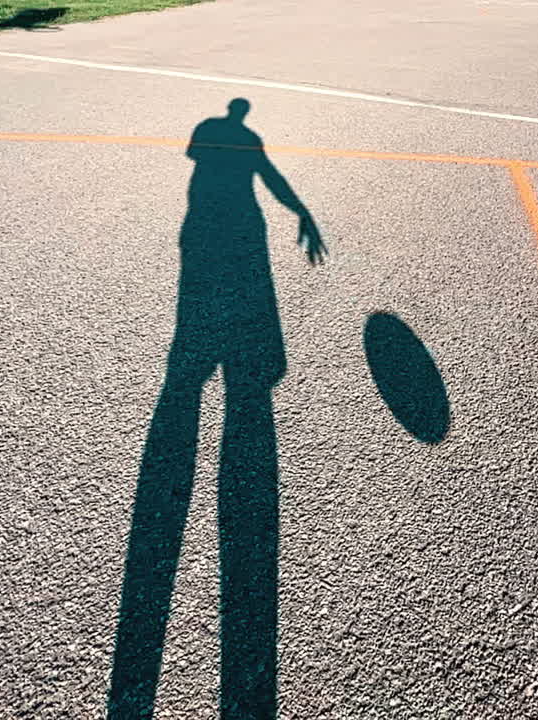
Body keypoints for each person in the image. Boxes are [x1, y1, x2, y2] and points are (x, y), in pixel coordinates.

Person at [109, 98, 324, 720]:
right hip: (233, 230)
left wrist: (296, 207)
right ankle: (211, 392)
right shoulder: (246, 135)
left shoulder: (208, 131)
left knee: (192, 350)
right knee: (241, 375)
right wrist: (301, 210)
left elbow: (202, 161)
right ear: (243, 111)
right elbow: (271, 177)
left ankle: (186, 397)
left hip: (202, 227)